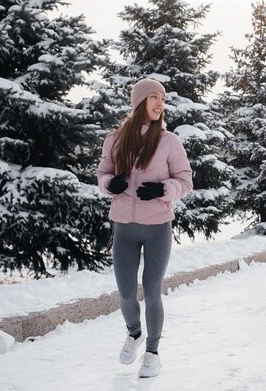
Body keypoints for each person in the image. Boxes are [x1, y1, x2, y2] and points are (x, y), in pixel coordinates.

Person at [96, 78, 193, 378]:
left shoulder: (168, 141)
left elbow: (185, 182)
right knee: (126, 292)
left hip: (157, 228)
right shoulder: (115, 139)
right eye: (153, 97)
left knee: (152, 290)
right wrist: (110, 184)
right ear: (139, 102)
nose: (159, 102)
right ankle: (134, 333)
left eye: (162, 98)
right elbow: (102, 174)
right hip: (124, 226)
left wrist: (162, 189)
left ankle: (152, 352)